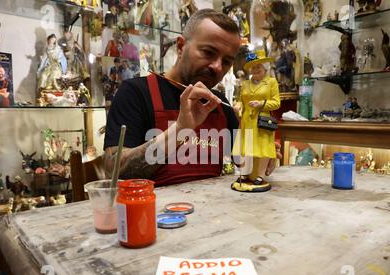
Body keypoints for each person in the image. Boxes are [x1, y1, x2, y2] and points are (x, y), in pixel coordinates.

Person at [104, 9, 281, 186]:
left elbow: (243, 163)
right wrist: (180, 129)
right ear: (181, 46)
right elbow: (113, 170)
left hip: (213, 209)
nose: (217, 67)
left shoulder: (220, 103)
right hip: (153, 212)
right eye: (208, 52)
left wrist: (263, 151)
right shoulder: (135, 93)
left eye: (227, 61)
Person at [231, 49, 280, 192]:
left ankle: (259, 176)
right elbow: (240, 100)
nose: (255, 68)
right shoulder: (245, 84)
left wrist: (262, 104)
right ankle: (245, 174)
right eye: (253, 66)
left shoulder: (271, 82)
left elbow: (276, 102)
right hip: (246, 121)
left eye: (258, 66)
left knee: (263, 149)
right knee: (246, 148)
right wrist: (237, 106)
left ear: (265, 67)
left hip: (262, 121)